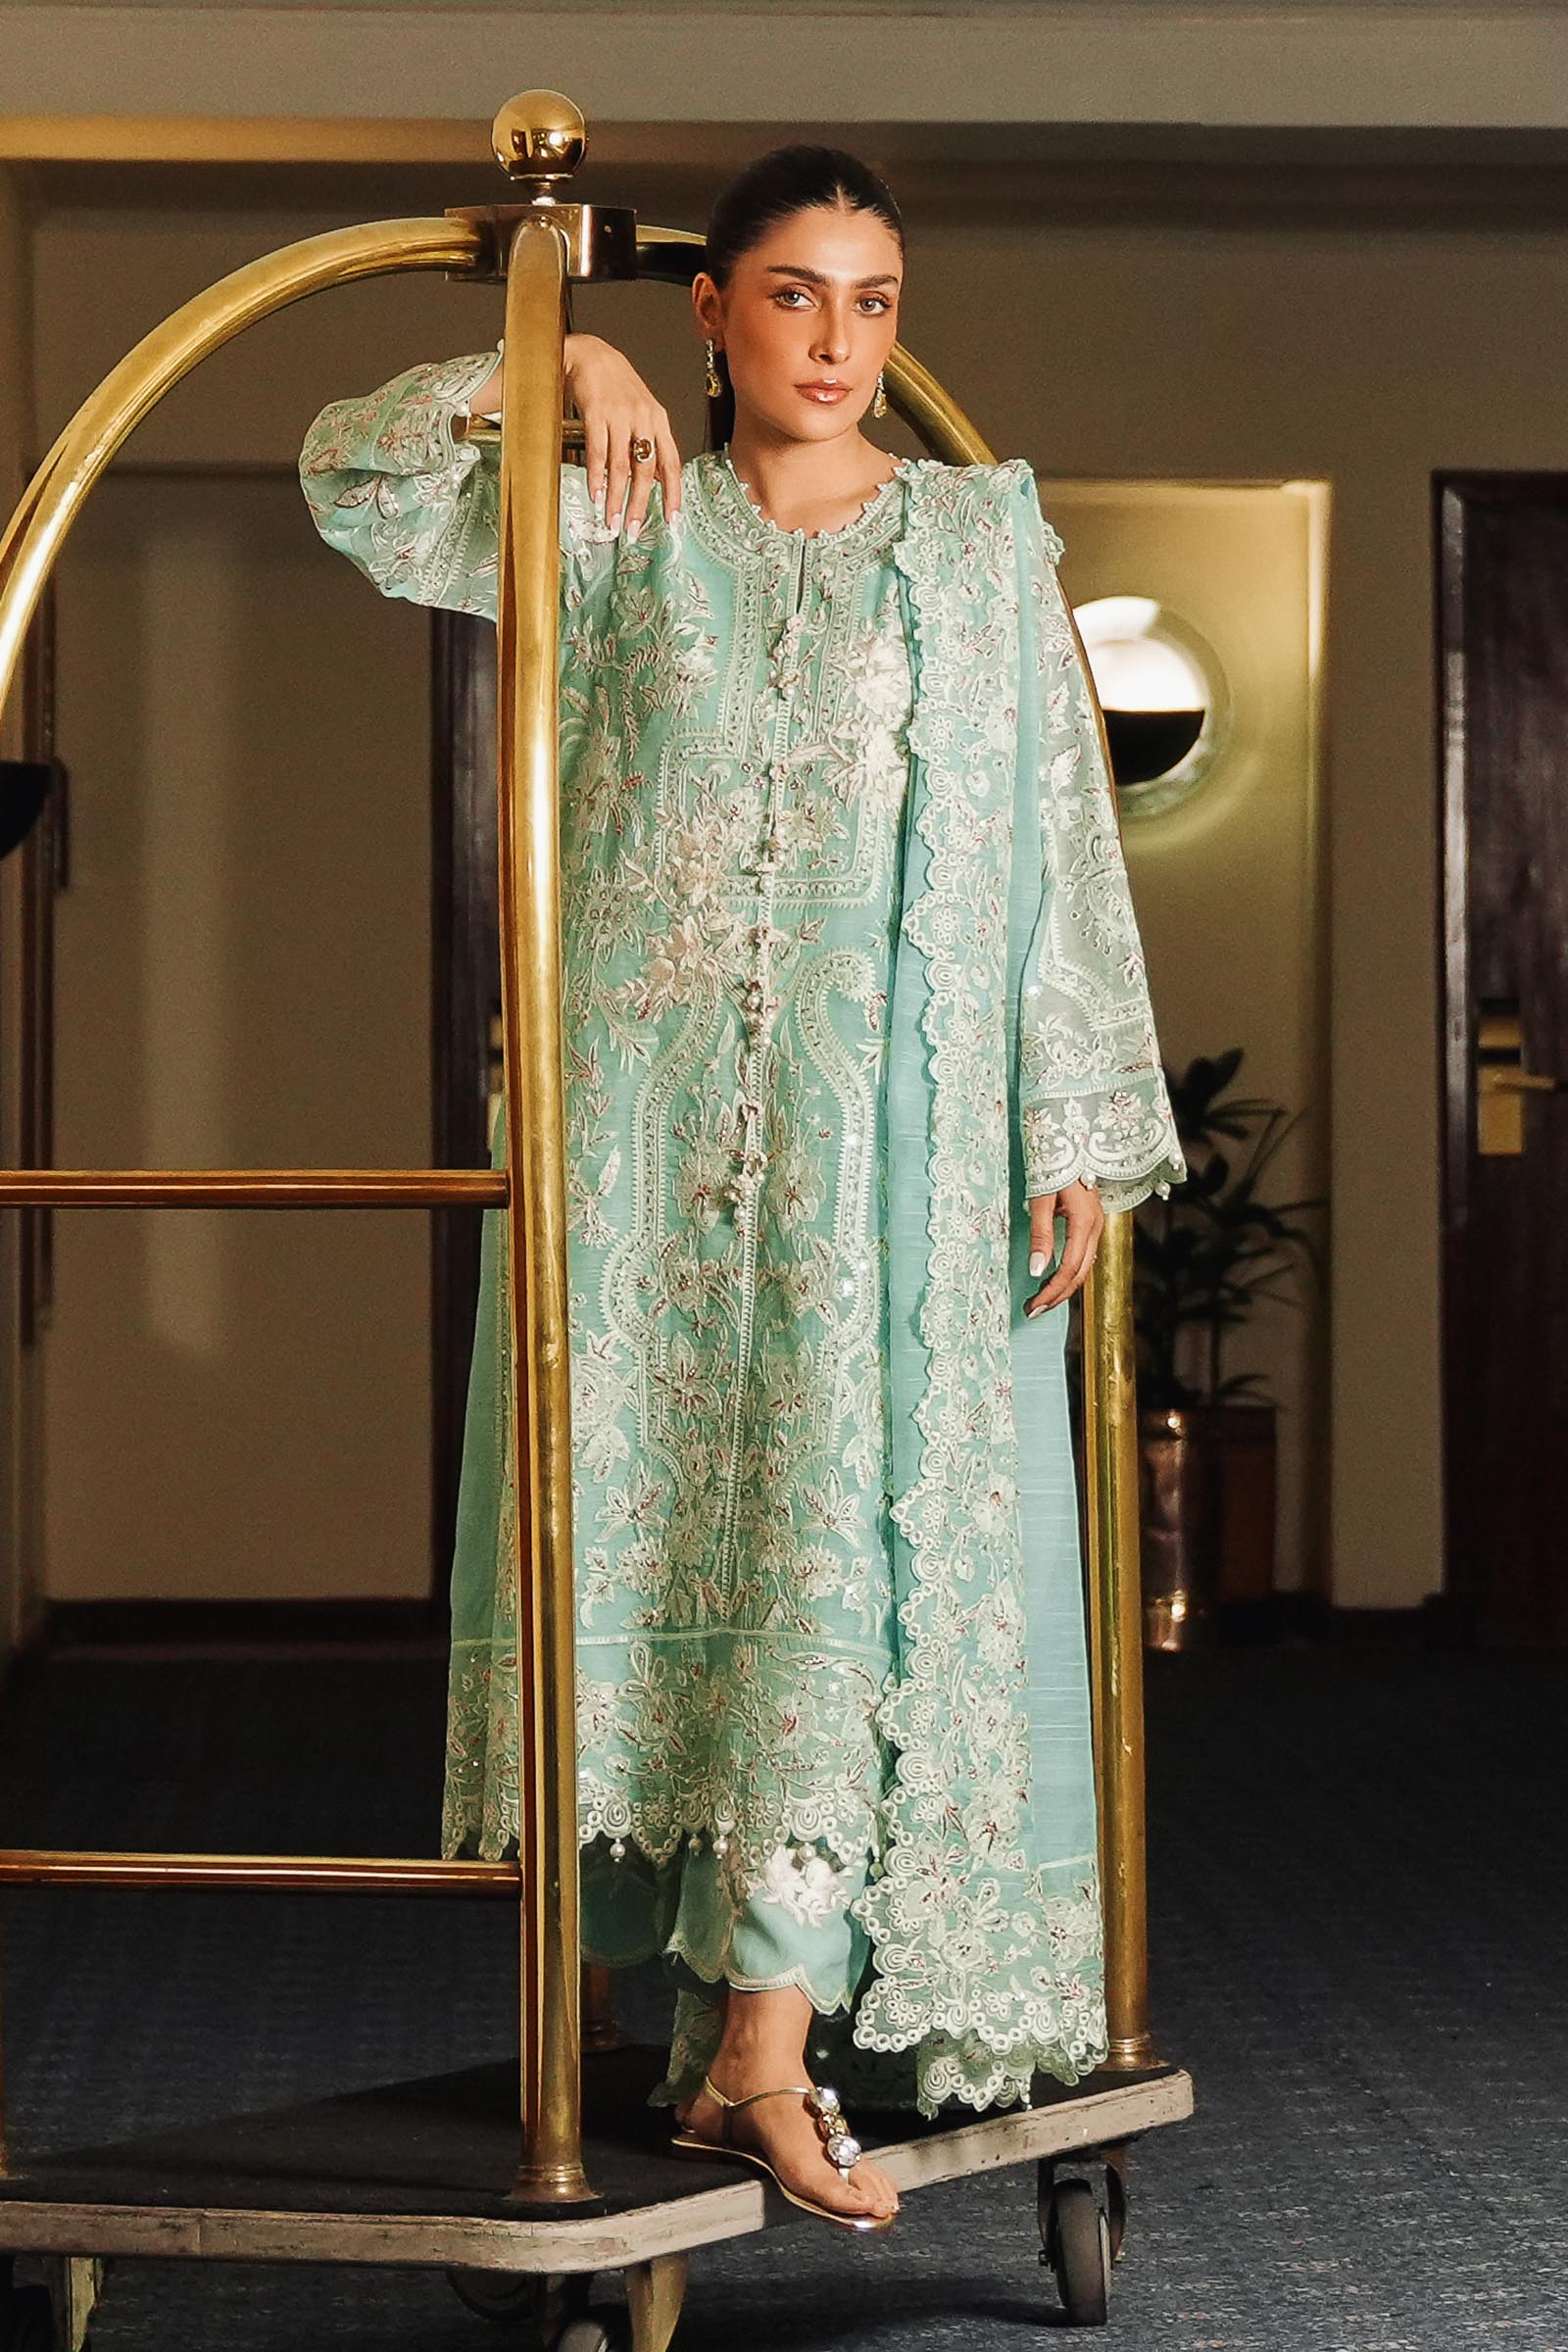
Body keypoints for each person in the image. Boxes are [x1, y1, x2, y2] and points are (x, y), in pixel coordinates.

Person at [298, 144, 1185, 2234]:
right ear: (715, 312)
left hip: (890, 1154)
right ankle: (710, 2046)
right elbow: (355, 480)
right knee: (664, 1554)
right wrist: (552, 361)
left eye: (875, 302)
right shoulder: (622, 518)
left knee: (834, 1561)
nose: (838, 342)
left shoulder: (969, 543)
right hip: (645, 1149)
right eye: (795, 295)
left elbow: (1055, 830)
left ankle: (770, 2052)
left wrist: (1064, 1117)